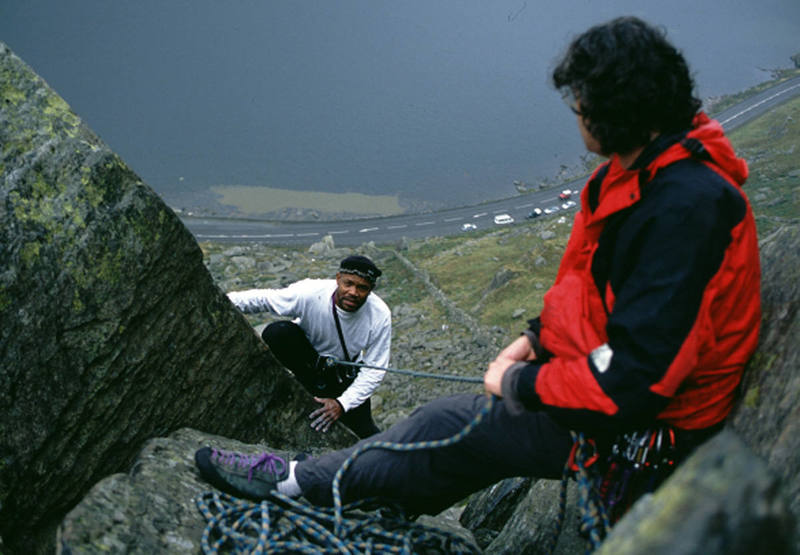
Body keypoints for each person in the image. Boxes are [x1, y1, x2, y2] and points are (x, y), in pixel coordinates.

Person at [197, 16, 761, 524]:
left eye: (581, 107)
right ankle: (377, 502)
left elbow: (638, 377)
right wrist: (537, 340)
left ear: (615, 113)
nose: (577, 118)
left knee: (450, 424)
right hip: (623, 394)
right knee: (463, 435)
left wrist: (518, 382)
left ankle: (297, 483)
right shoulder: (642, 172)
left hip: (647, 431)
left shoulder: (684, 209)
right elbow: (591, 292)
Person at [227, 254, 391, 439]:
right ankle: (312, 386)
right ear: (338, 279)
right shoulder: (311, 293)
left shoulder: (379, 314)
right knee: (278, 332)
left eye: (362, 288)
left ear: (371, 290)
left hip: (344, 376)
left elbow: (375, 368)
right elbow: (265, 299)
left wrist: (342, 404)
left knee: (365, 432)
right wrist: (222, 299)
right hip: (309, 365)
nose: (353, 292)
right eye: (348, 284)